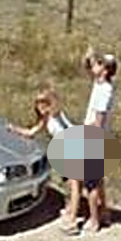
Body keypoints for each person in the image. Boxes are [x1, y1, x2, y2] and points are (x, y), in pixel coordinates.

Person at [6, 88, 78, 220]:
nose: (41, 108)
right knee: (69, 182)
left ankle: (73, 213)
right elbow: (31, 132)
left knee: (74, 183)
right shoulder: (45, 120)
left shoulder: (57, 115)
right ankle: (72, 207)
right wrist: (14, 129)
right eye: (38, 105)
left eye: (44, 104)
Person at [79, 46, 118, 234]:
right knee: (99, 180)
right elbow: (88, 68)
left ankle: (94, 220)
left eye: (99, 63)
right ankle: (104, 213)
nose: (95, 65)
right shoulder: (102, 84)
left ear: (105, 70)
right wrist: (90, 57)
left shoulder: (104, 92)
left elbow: (98, 121)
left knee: (91, 183)